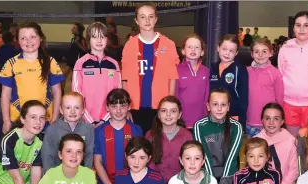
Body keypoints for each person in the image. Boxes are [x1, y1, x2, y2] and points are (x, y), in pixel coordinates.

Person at [121, 2, 179, 133]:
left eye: (150, 16)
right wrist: (127, 107)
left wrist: (169, 106)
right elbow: (124, 80)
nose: (147, 20)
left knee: (158, 146)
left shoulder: (168, 44)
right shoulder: (130, 46)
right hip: (136, 107)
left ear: (156, 19)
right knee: (138, 147)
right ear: (136, 20)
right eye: (142, 17)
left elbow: (173, 78)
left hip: (160, 107)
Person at [0, 21, 64, 134]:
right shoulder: (11, 63)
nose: (28, 41)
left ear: (41, 38)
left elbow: (57, 92)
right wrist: (6, 120)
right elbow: (5, 94)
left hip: (45, 120)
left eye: (33, 37)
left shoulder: (50, 62)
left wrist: (55, 117)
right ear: (17, 41)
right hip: (19, 120)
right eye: (23, 38)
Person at [93, 89, 143, 184]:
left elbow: (140, 161)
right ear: (107, 107)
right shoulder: (99, 131)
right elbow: (97, 162)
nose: (119, 110)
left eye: (123, 106)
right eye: (114, 106)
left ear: (129, 106)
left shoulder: (136, 130)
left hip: (131, 183)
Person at [194, 88, 243, 184]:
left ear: (228, 107)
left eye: (223, 104)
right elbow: (204, 158)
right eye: (215, 104)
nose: (219, 108)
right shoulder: (199, 126)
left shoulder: (236, 127)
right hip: (206, 177)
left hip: (229, 177)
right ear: (208, 106)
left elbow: (231, 159)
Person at [145, 96, 192, 184]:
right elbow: (148, 167)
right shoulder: (150, 135)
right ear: (159, 114)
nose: (168, 115)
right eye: (164, 111)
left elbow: (191, 165)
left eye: (173, 111)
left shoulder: (187, 135)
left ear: (179, 114)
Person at [72, 22, 121, 127]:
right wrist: (89, 120)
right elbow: (76, 94)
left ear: (107, 39)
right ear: (89, 39)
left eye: (102, 37)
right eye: (94, 37)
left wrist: (105, 119)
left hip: (109, 120)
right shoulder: (80, 63)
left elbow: (118, 93)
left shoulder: (114, 64)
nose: (99, 41)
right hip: (85, 120)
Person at [255, 103, 298, 184]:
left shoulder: (290, 141)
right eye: (267, 118)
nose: (271, 122)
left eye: (276, 118)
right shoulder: (256, 141)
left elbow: (294, 170)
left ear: (282, 121)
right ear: (262, 120)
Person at [41, 92, 94, 173]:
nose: (72, 111)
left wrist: (86, 175)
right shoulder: (52, 130)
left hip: (80, 175)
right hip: (57, 176)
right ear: (61, 110)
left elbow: (89, 155)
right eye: (68, 108)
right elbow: (47, 157)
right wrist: (50, 179)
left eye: (76, 107)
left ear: (83, 110)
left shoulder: (88, 129)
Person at [210, 34, 249, 130]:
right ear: (218, 48)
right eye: (224, 49)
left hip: (233, 116)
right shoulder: (212, 68)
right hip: (214, 117)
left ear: (236, 53)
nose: (227, 53)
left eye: (231, 51)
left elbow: (244, 98)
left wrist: (241, 121)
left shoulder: (240, 69)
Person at [246, 38, 283, 137]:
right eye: (257, 52)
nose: (260, 55)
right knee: (252, 150)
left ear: (271, 53)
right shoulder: (246, 72)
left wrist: (277, 120)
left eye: (264, 51)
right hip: (249, 122)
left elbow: (279, 100)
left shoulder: (275, 74)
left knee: (268, 151)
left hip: (268, 124)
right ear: (252, 54)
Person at [175, 34, 210, 128]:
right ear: (183, 51)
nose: (193, 50)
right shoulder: (176, 70)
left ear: (202, 52)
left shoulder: (206, 71)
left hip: (202, 121)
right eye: (189, 47)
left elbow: (207, 97)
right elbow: (175, 96)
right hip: (181, 122)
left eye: (197, 47)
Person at [0, 31, 19, 97]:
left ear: (3, 39)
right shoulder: (17, 50)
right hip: (15, 75)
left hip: (3, 75)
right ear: (12, 39)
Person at [62, 23, 86, 93]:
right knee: (63, 77)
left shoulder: (82, 39)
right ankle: (62, 92)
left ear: (78, 30)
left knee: (73, 79)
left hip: (77, 61)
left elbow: (85, 50)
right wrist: (66, 56)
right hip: (70, 60)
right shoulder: (73, 39)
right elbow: (71, 49)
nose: (72, 29)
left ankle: (76, 92)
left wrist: (78, 43)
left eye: (74, 28)